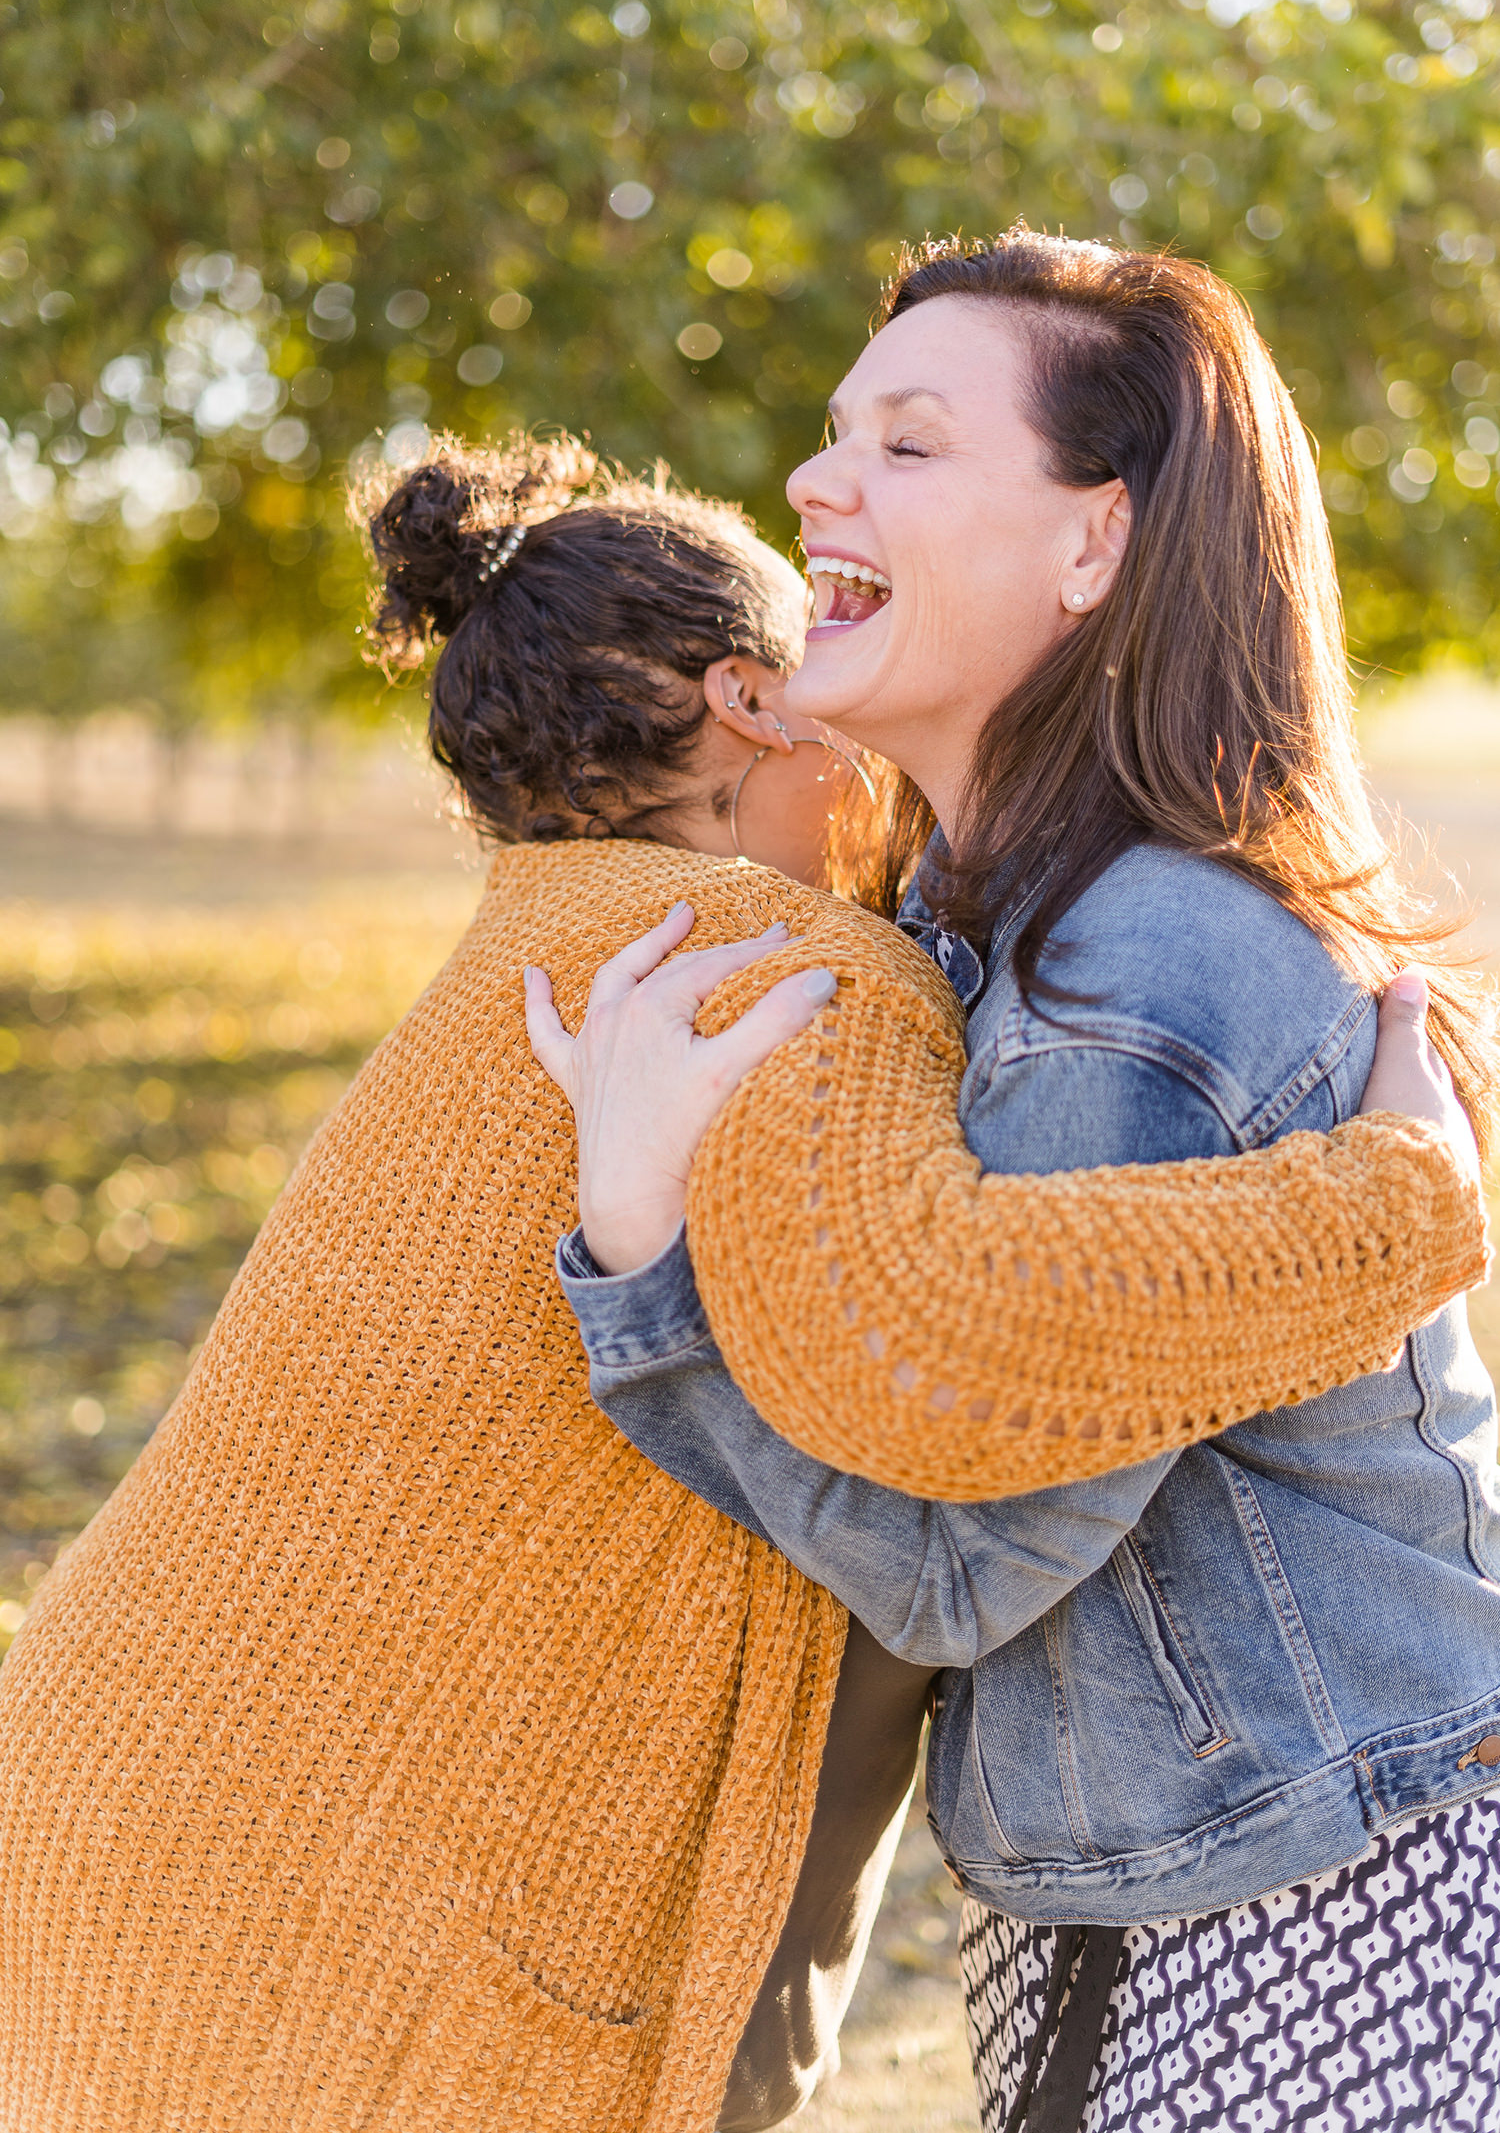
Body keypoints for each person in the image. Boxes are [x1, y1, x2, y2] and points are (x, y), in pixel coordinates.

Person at [0, 439, 1476, 2133]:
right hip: (359, 1919)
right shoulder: (783, 973)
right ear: (759, 704)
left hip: (106, 1793)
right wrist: (1393, 1203)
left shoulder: (533, 952)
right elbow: (955, 1322)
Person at [526, 233, 1500, 2132]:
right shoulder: (989, 932)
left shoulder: (1134, 981)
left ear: (1095, 545)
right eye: (831, 438)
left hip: (1322, 1898)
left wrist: (639, 1258)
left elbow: (956, 1553)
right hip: (1170, 1877)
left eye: (907, 444)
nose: (816, 484)